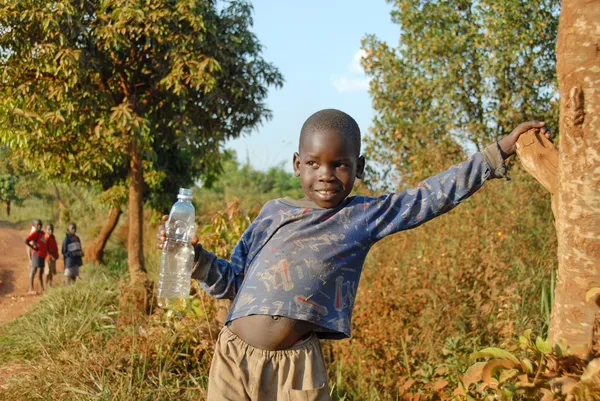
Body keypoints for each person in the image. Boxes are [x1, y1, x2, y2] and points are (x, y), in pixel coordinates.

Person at [157, 109, 551, 401]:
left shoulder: (361, 216)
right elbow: (232, 282)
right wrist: (196, 259)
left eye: (339, 164)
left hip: (296, 368)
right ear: (297, 165)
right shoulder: (273, 212)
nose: (326, 174)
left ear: (357, 167)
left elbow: (430, 197)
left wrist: (499, 151)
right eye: (313, 164)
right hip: (233, 357)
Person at [24, 219, 47, 294]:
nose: (39, 226)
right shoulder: (35, 233)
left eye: (40, 224)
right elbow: (26, 241)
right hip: (36, 254)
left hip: (42, 255)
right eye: (37, 225)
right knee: (34, 270)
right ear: (34, 226)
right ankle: (31, 288)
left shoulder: (43, 233)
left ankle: (42, 288)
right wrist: (33, 247)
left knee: (41, 271)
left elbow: (44, 243)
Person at [44, 224, 59, 288]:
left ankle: (50, 285)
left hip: (53, 258)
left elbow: (55, 247)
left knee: (51, 272)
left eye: (52, 229)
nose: (51, 231)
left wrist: (56, 255)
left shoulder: (53, 237)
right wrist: (51, 256)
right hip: (47, 258)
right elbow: (44, 248)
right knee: (47, 272)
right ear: (46, 230)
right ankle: (45, 286)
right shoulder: (44, 237)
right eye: (49, 229)